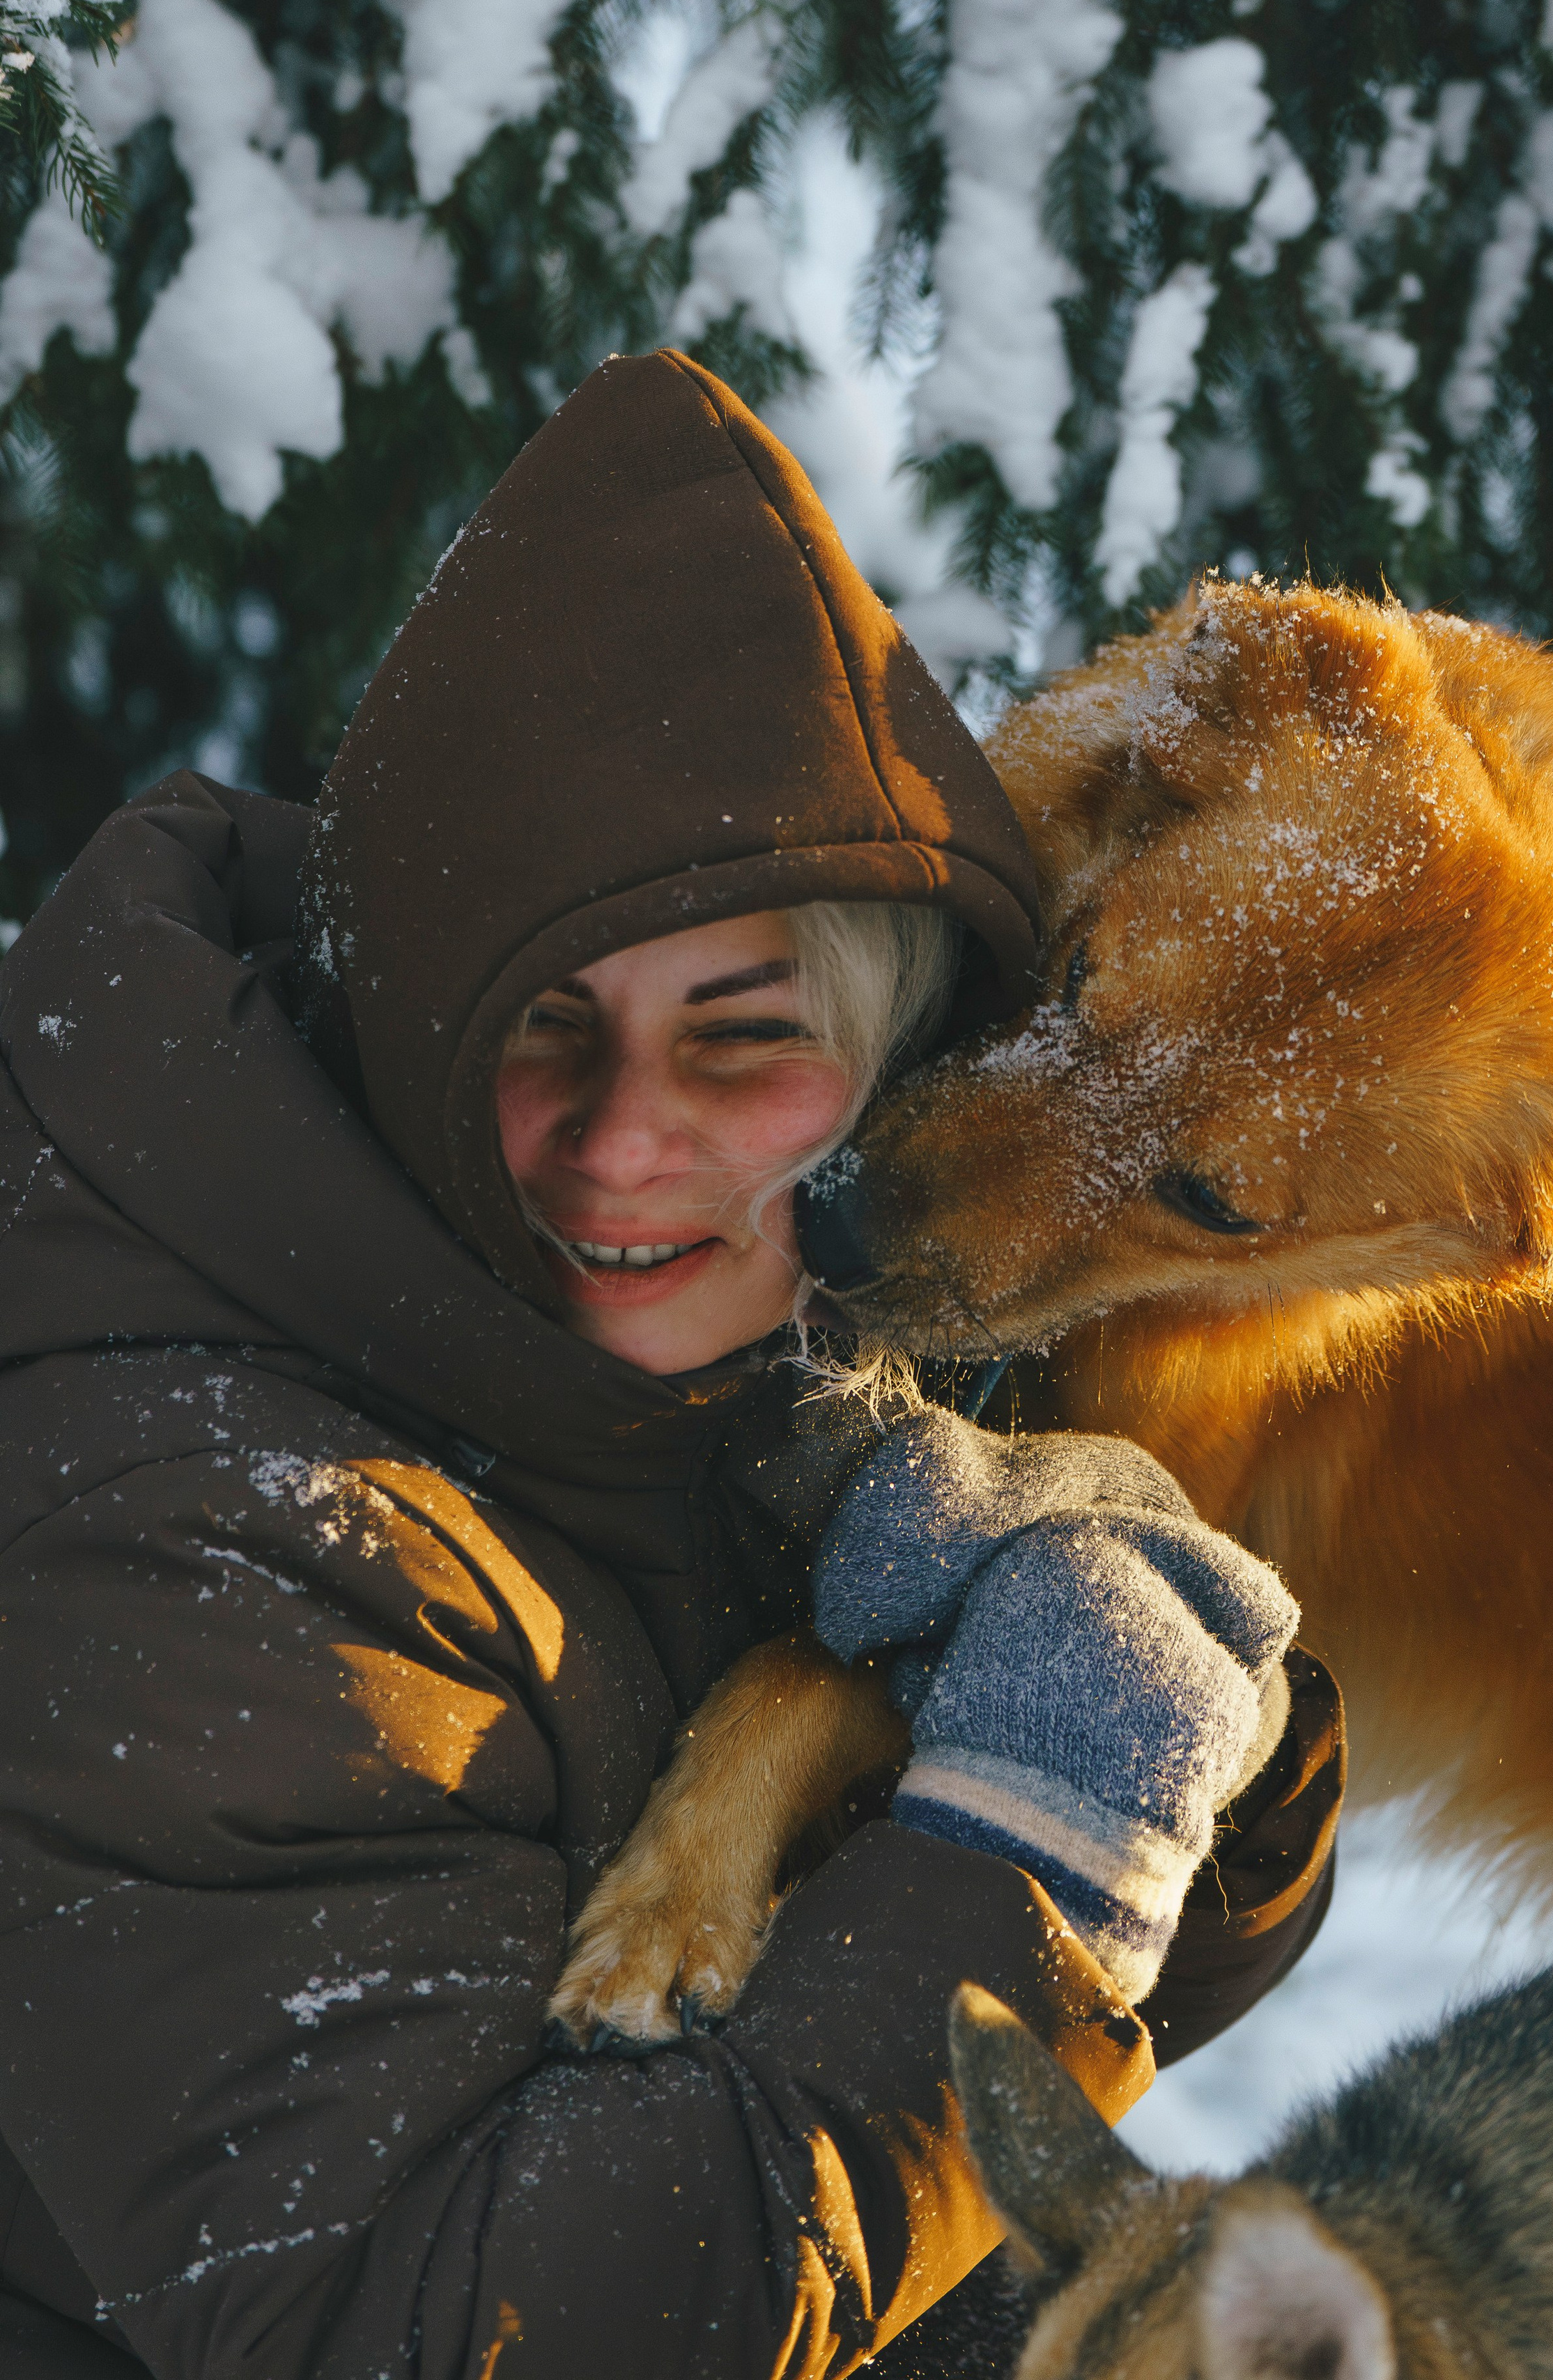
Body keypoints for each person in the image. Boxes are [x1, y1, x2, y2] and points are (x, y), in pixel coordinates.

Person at [0, 350, 1343, 2378]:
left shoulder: (722, 1321)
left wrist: (1159, 1746)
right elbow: (437, 2343)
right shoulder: (204, 1533)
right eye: (537, 1024)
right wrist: (1027, 1847)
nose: (632, 1142)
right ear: (410, 1001)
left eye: (746, 1033)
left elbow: (1175, 1929)